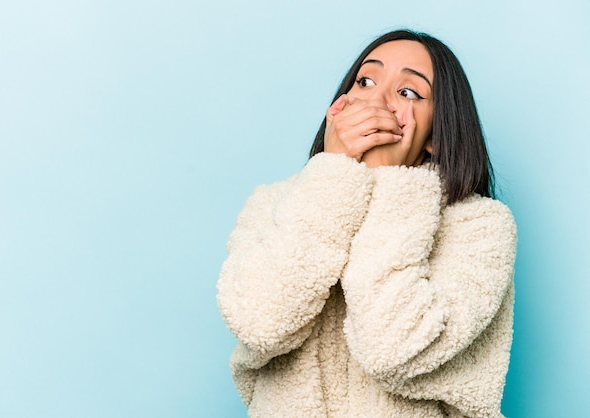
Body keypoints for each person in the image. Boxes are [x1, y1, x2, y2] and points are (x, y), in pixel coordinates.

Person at [217, 29, 517, 418]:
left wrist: (389, 181)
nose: (375, 99)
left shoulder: (481, 227)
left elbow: (392, 350)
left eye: (408, 92)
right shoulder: (273, 203)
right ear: (338, 108)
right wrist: (333, 173)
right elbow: (262, 322)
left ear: (436, 136)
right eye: (365, 81)